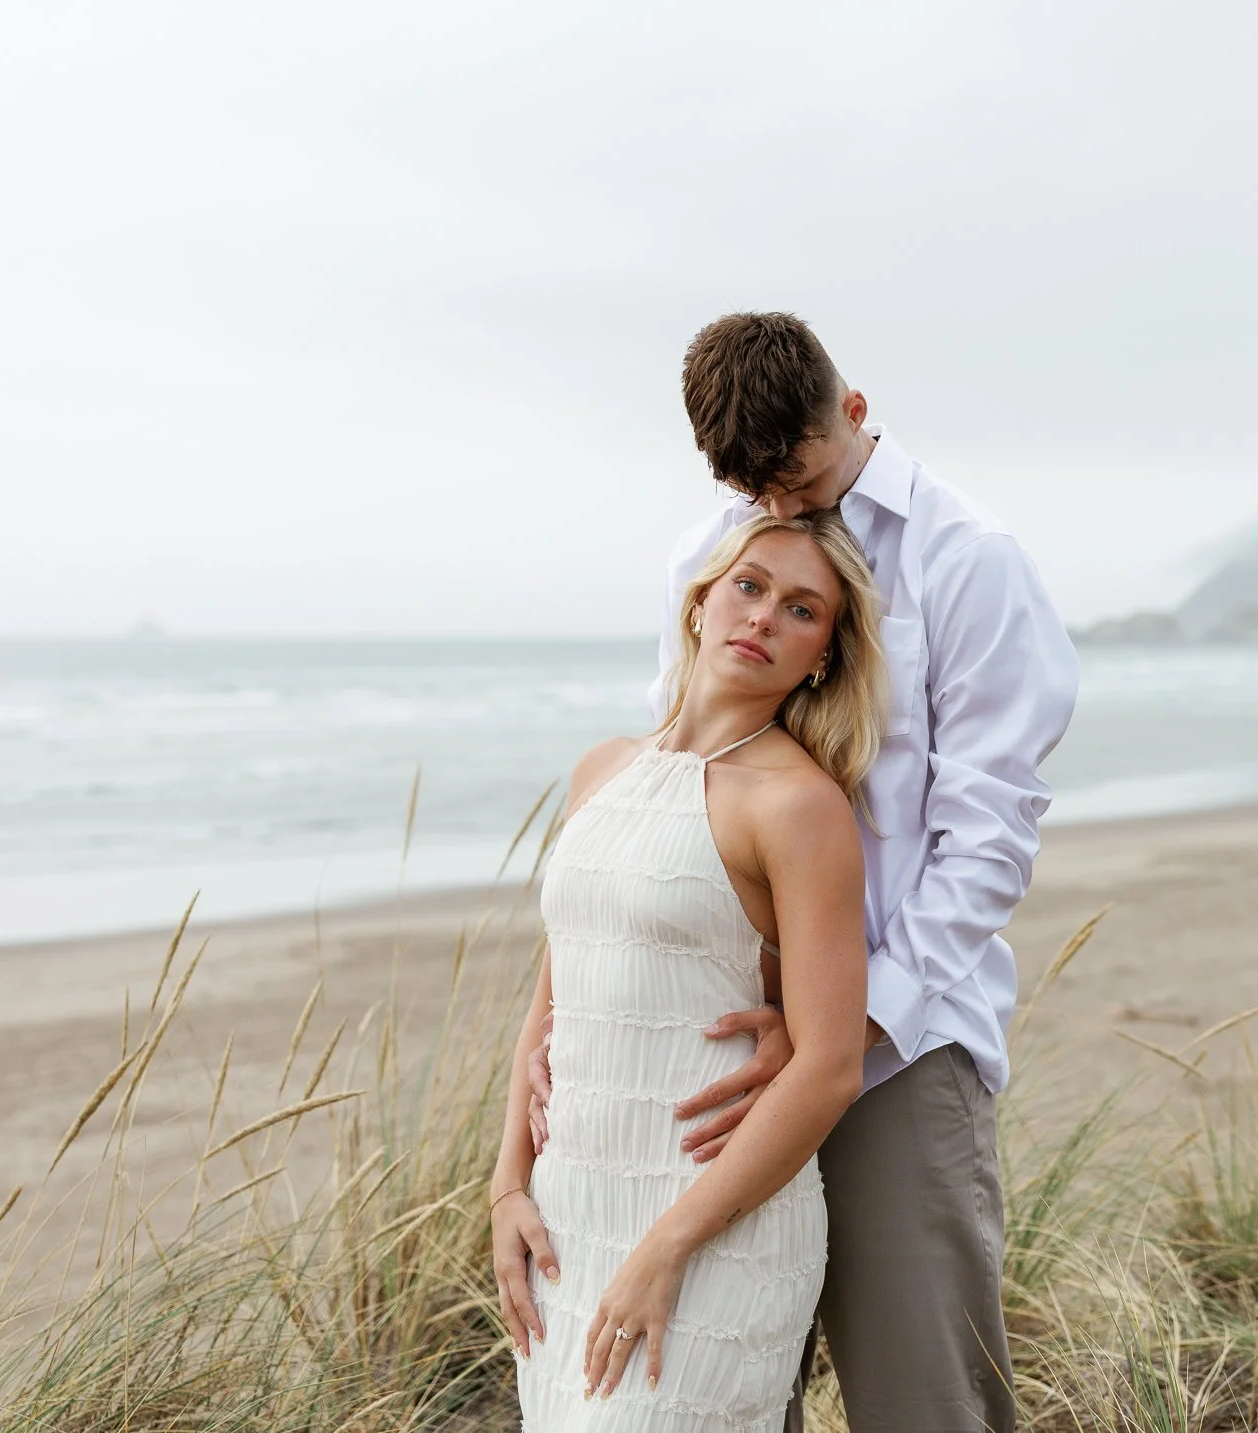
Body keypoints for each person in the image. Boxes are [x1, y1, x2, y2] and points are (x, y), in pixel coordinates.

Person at [531, 312, 1081, 1432]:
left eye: (798, 477)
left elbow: (988, 833)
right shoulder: (715, 552)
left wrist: (853, 1027)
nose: (780, 512)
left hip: (899, 1048)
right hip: (720, 1039)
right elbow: (679, 783)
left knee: (921, 1397)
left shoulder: (967, 558)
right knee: (716, 1388)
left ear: (856, 411)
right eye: (753, 492)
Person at [489, 508, 891, 1429]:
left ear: (823, 655)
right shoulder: (602, 769)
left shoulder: (799, 807)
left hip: (710, 1223)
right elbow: (552, 1005)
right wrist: (508, 1185)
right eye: (749, 587)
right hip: (573, 1210)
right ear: (702, 603)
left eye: (802, 609)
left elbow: (829, 1067)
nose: (763, 617)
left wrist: (668, 1247)